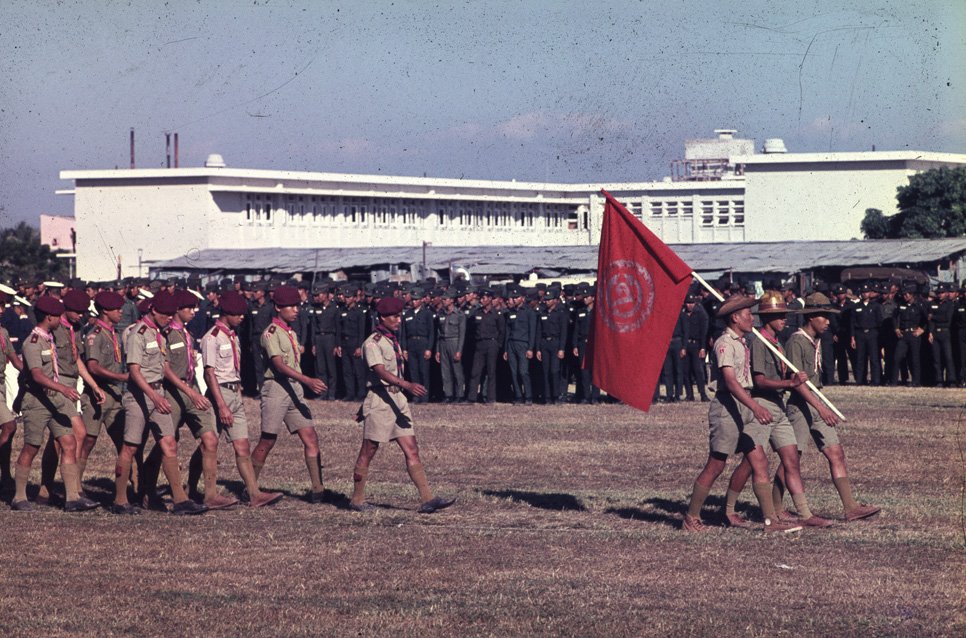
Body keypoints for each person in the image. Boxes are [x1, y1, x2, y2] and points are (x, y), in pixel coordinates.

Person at [682, 294, 803, 533]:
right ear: (735, 318)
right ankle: (691, 516)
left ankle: (770, 521)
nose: (752, 318)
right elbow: (731, 381)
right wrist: (756, 407)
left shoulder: (744, 341)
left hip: (744, 403)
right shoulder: (724, 343)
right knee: (716, 465)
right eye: (748, 314)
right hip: (729, 406)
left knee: (758, 461)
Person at [721, 292, 833, 529]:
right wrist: (789, 384)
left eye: (784, 314)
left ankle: (804, 513)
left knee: (792, 458)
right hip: (762, 405)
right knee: (751, 464)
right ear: (766, 318)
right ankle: (729, 509)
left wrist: (791, 380)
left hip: (779, 406)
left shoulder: (778, 343)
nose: (783, 319)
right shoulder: (759, 342)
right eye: (778, 315)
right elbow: (760, 381)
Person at [349, 296, 455, 514]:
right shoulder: (373, 342)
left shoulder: (392, 340)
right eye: (394, 316)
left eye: (399, 315)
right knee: (369, 450)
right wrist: (406, 384)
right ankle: (357, 499)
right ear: (382, 318)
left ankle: (428, 498)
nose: (399, 320)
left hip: (397, 400)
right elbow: (379, 370)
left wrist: (402, 389)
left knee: (411, 448)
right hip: (380, 400)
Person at [786, 293, 880, 522]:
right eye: (824, 317)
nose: (828, 322)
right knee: (791, 459)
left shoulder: (814, 341)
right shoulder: (796, 342)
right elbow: (797, 384)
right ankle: (776, 507)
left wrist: (821, 407)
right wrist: (822, 408)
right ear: (811, 317)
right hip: (801, 405)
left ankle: (850, 507)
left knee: (835, 451)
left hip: (816, 403)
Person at [111, 291, 207, 515]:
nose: (167, 318)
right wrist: (154, 397)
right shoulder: (138, 334)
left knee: (169, 443)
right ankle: (120, 500)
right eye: (164, 314)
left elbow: (163, 366)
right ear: (153, 311)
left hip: (157, 392)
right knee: (131, 446)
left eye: (169, 314)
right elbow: (134, 372)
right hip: (139, 395)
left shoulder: (159, 335)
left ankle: (180, 500)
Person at [11, 296, 99, 512]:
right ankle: (19, 496)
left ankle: (72, 497)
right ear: (49, 317)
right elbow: (37, 375)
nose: (61, 319)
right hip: (38, 401)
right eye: (58, 316)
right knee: (31, 446)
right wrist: (64, 389)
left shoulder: (48, 339)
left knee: (68, 442)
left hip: (55, 399)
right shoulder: (33, 342)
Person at [199, 291, 283, 508]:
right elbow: (209, 374)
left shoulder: (232, 335)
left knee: (243, 445)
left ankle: (254, 494)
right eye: (238, 314)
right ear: (227, 313)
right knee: (210, 444)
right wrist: (221, 404)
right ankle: (208, 494)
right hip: (220, 395)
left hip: (234, 393)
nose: (242, 317)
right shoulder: (212, 337)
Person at [251, 285, 329, 502]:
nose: (296, 310)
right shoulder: (271, 333)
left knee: (310, 437)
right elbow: (278, 365)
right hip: (276, 388)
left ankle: (317, 490)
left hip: (294, 388)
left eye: (297, 305)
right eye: (290, 306)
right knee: (268, 440)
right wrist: (308, 381)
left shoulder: (291, 332)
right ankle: (250, 488)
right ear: (278, 308)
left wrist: (301, 383)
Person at [36, 289, 106, 504]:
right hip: (58, 384)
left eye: (84, 312)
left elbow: (75, 360)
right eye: (77, 311)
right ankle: (73, 490)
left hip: (72, 384)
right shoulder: (54, 330)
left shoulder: (74, 329)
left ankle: (46, 489)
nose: (81, 316)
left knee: (57, 441)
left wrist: (93, 385)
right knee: (78, 433)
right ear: (65, 309)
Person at [0, 290, 24, 489]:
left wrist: (31, 372)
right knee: (10, 426)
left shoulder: (3, 332)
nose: (1, 311)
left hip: (0, 385)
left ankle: (6, 475)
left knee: (8, 428)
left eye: (2, 307)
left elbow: (14, 359)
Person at [466, 289, 505, 404]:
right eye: (481, 298)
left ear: (490, 299)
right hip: (479, 344)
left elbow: (501, 331)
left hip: (492, 344)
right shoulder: (477, 313)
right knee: (475, 371)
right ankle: (471, 397)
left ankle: (490, 398)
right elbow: (472, 329)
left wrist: (498, 345)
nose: (482, 300)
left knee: (491, 372)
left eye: (484, 298)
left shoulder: (497, 314)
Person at [503, 287, 537, 405]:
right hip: (511, 343)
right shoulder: (510, 312)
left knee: (523, 371)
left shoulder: (529, 312)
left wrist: (530, 348)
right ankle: (518, 396)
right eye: (513, 297)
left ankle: (528, 396)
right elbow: (508, 330)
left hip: (523, 344)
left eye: (516, 297)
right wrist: (506, 349)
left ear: (522, 298)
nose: (514, 299)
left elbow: (532, 331)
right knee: (513, 371)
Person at [435, 291, 466, 403]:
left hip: (455, 341)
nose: (443, 301)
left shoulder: (459, 315)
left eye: (445, 299)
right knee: (445, 370)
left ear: (452, 300)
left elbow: (462, 334)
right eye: (442, 299)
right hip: (443, 342)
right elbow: (438, 333)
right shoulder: (441, 314)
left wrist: (459, 350)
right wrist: (437, 350)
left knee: (457, 370)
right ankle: (448, 394)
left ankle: (459, 395)